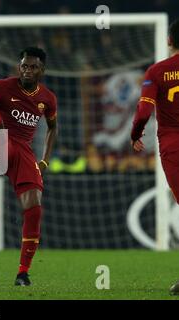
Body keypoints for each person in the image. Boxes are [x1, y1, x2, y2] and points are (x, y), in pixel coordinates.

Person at [0, 47, 58, 286]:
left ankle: (23, 273)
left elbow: (52, 128)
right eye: (24, 66)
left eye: (33, 67)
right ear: (19, 66)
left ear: (42, 70)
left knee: (34, 206)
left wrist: (45, 159)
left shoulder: (47, 99)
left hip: (23, 151)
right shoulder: (2, 86)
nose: (27, 70)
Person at [130, 19, 179, 296]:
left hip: (174, 144)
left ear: (169, 40)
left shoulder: (157, 71)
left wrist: (135, 134)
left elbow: (143, 112)